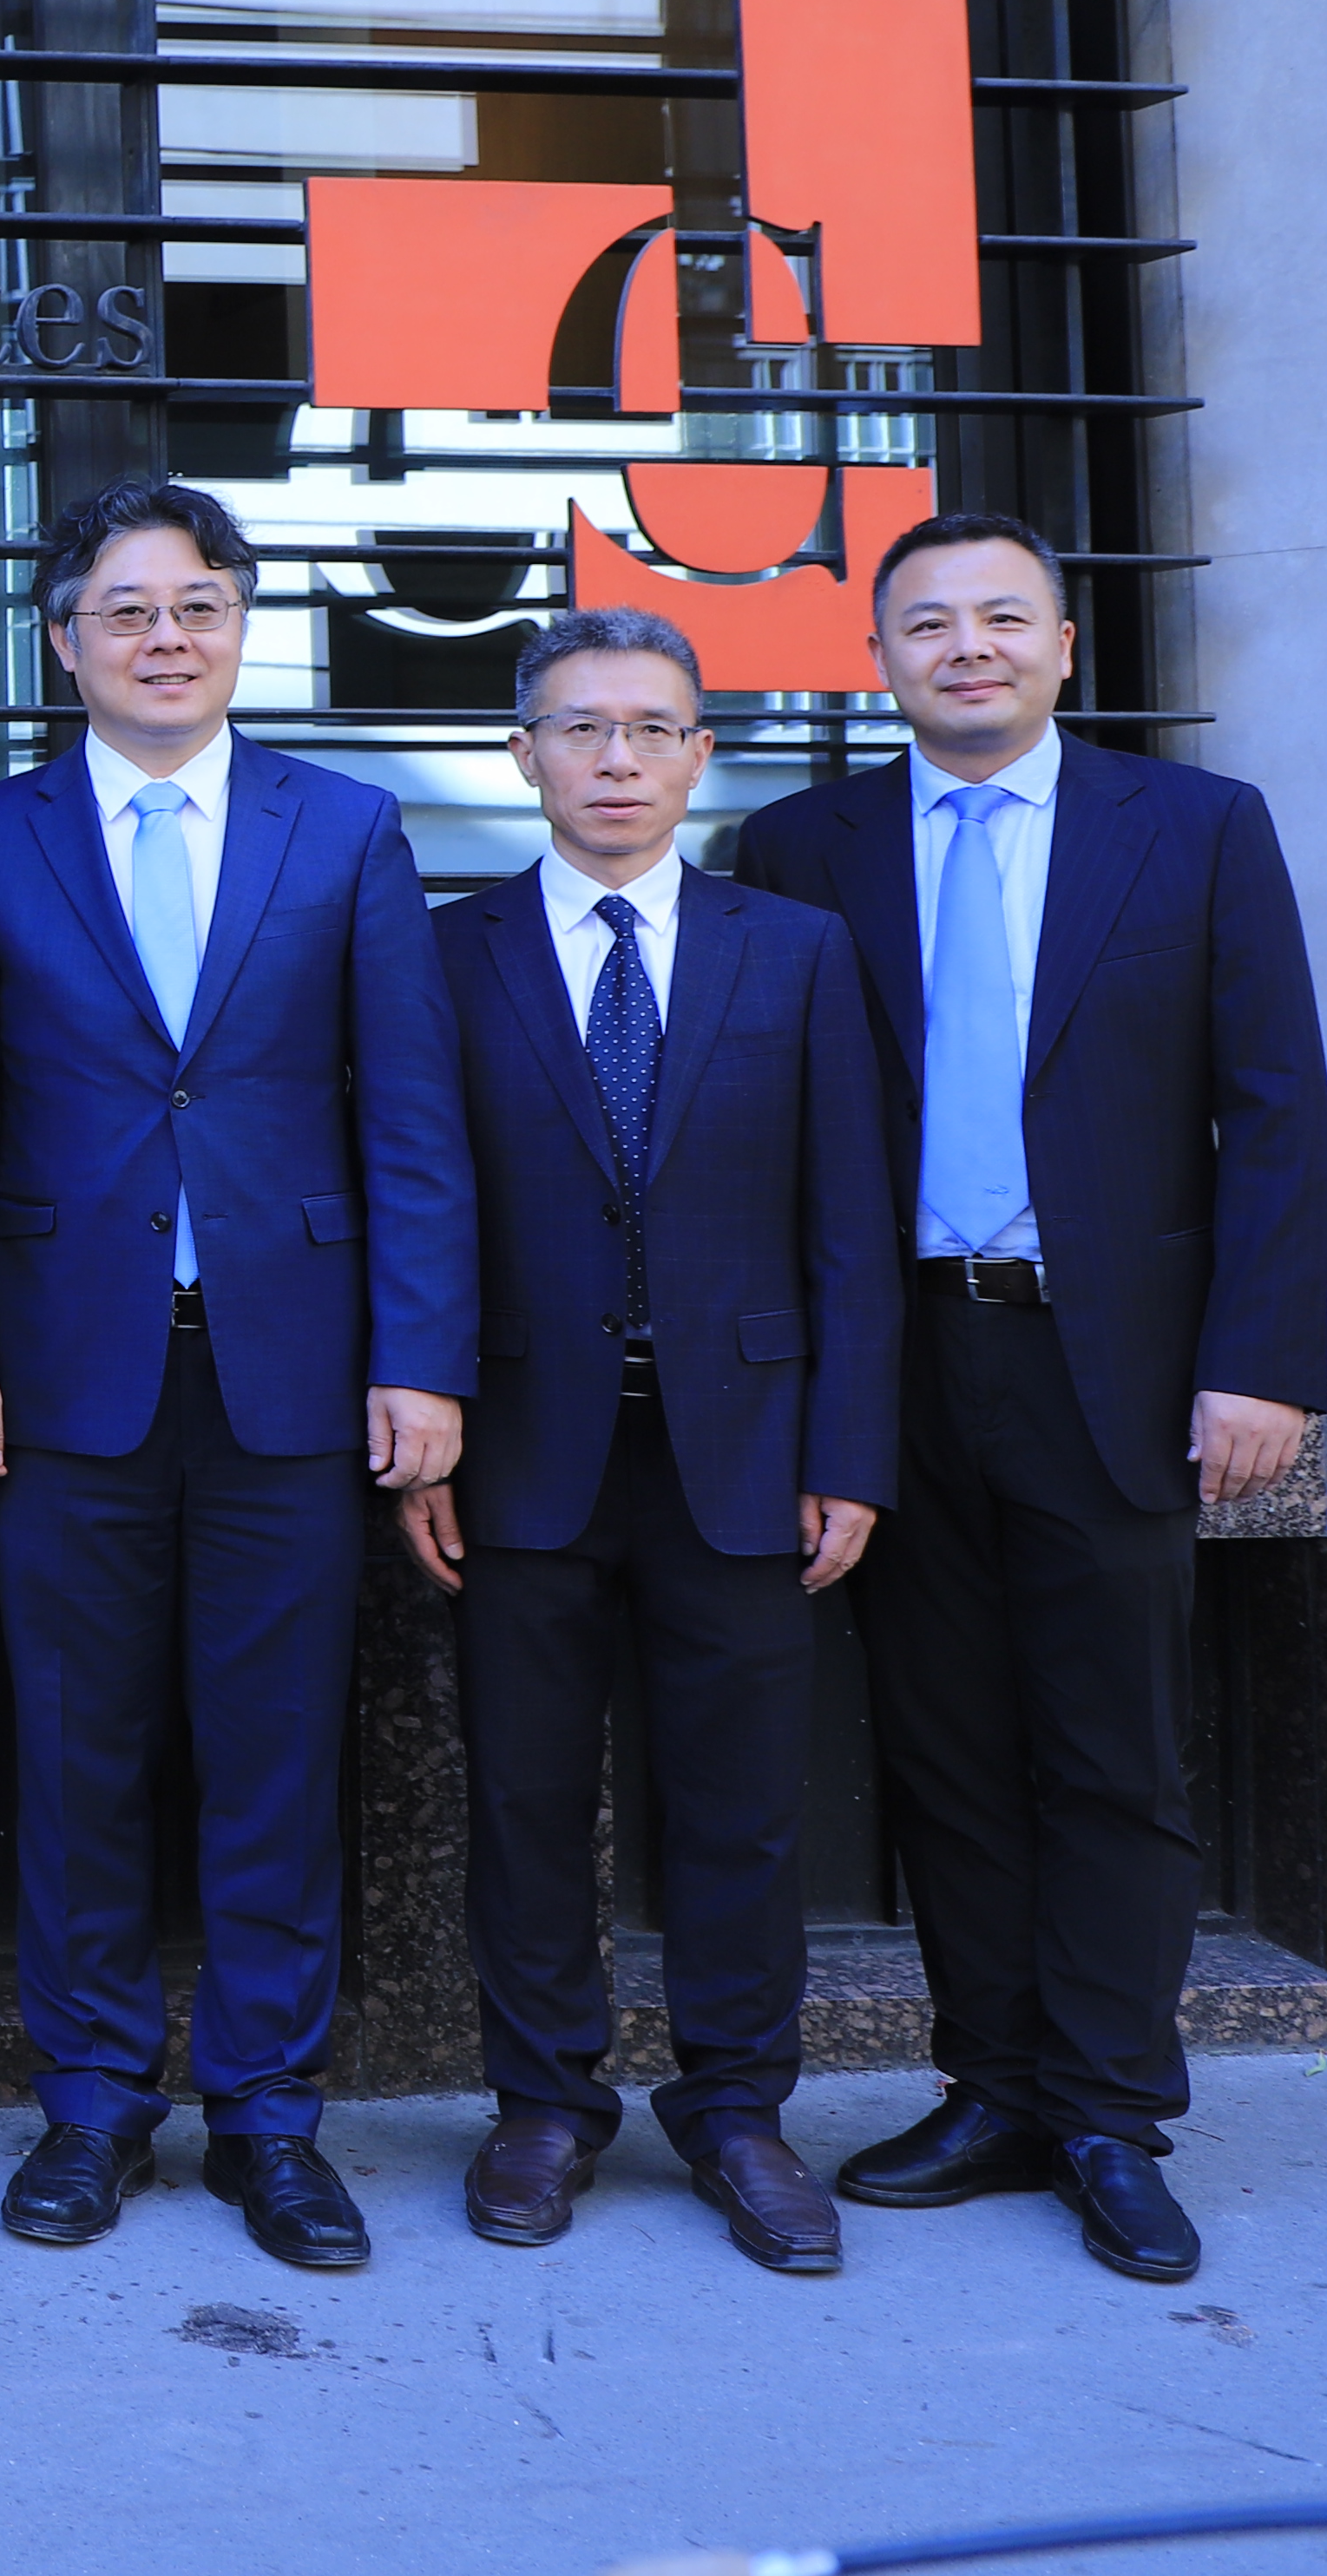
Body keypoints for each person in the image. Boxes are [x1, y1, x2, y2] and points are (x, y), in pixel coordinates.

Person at [733, 512, 1327, 2287]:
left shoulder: (1200, 829)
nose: (968, 646)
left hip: (1118, 1363)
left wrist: (1259, 1360)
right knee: (945, 1752)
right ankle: (991, 2084)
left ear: (1068, 648)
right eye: (929, 623)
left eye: (1004, 618)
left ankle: (1111, 2111)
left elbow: (1278, 1109)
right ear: (881, 660)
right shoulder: (801, 841)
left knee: (1112, 1753)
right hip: (894, 1361)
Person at [0, 476, 471, 2273]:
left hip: (291, 1381)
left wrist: (425, 1359)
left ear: (240, 629)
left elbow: (412, 1120)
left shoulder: (348, 830)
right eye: (127, 607)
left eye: (199, 604)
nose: (166, 636)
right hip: (67, 1378)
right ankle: (89, 2101)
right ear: (63, 637)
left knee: (275, 1752)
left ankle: (270, 2117)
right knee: (80, 1753)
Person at [411, 606, 897, 2274]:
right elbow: (426, 1205)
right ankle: (544, 2104)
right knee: (530, 1801)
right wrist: (430, 1439)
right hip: (525, 1448)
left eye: (650, 728)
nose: (615, 758)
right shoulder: (446, 951)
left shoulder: (796, 949)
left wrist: (851, 1447)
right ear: (524, 752)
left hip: (748, 1447)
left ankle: (741, 2110)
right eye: (580, 727)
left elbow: (850, 1220)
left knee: (741, 1806)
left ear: (702, 752)